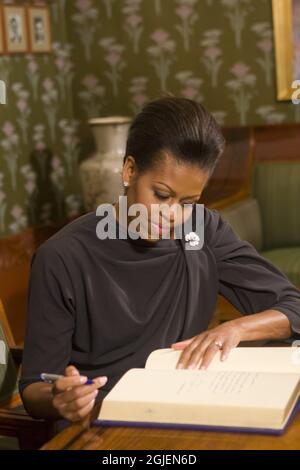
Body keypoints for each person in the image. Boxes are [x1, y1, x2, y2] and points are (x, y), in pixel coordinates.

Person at [19, 96, 300, 425]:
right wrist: (60, 399)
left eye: (188, 202)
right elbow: (33, 388)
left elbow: (293, 307)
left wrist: (234, 329)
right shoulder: (62, 257)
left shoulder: (202, 229)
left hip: (183, 409)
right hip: (102, 421)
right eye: (162, 195)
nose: (172, 216)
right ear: (129, 170)